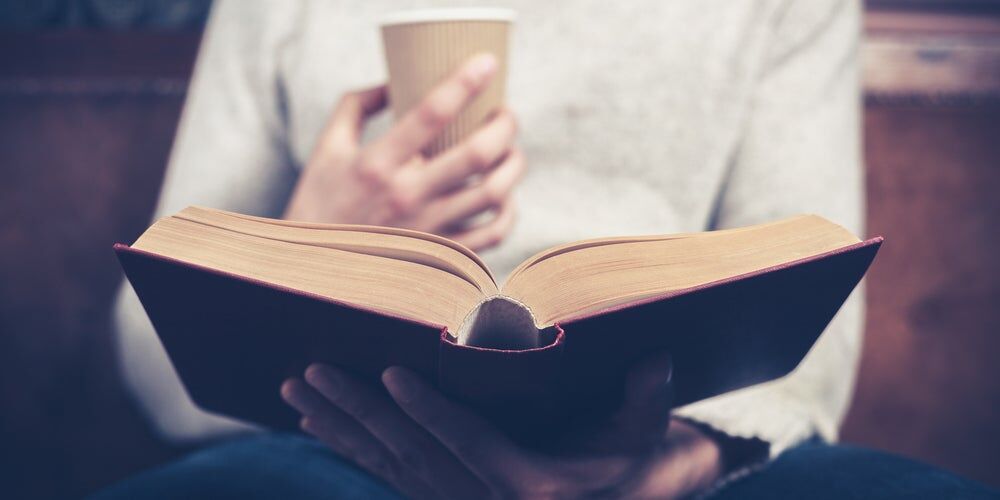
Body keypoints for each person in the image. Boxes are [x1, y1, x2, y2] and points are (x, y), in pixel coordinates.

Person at [97, 1, 995, 498]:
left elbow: (810, 332)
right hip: (339, 446)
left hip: (671, 463)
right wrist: (311, 229)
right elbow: (149, 357)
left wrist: (656, 476)